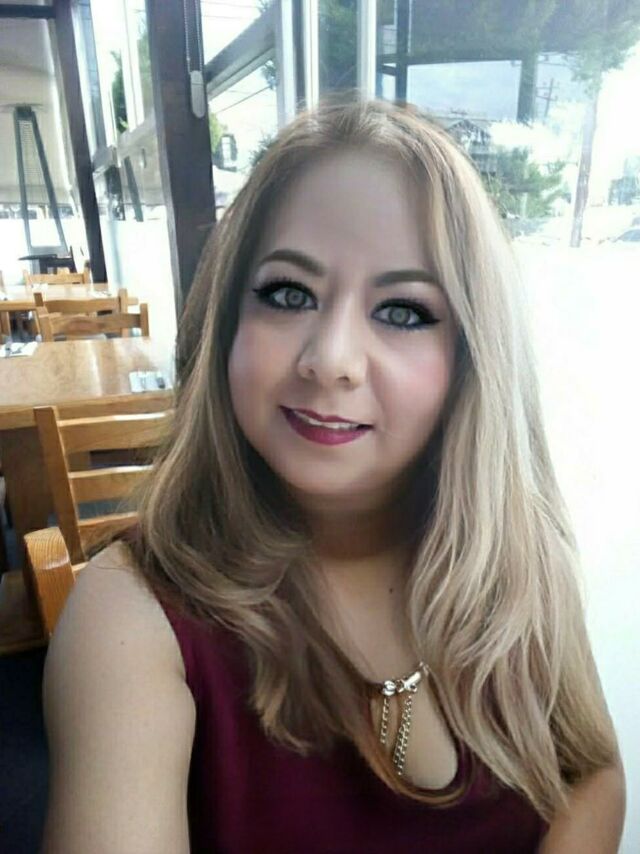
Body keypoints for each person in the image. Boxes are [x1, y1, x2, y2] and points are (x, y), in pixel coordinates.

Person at [40, 99, 625, 853]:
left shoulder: (517, 557)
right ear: (227, 320)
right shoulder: (131, 613)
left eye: (403, 311)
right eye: (289, 294)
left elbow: (591, 772)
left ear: (472, 360)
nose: (331, 359)